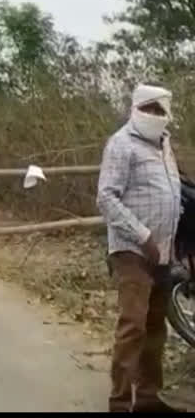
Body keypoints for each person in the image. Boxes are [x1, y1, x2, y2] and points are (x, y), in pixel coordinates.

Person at [96, 83, 184, 413]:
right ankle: (119, 402)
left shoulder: (164, 145)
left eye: (159, 110)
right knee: (133, 324)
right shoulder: (121, 144)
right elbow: (106, 197)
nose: (154, 116)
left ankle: (147, 398)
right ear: (135, 109)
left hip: (163, 250)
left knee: (155, 326)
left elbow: (172, 193)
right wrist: (143, 234)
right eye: (148, 108)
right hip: (132, 251)